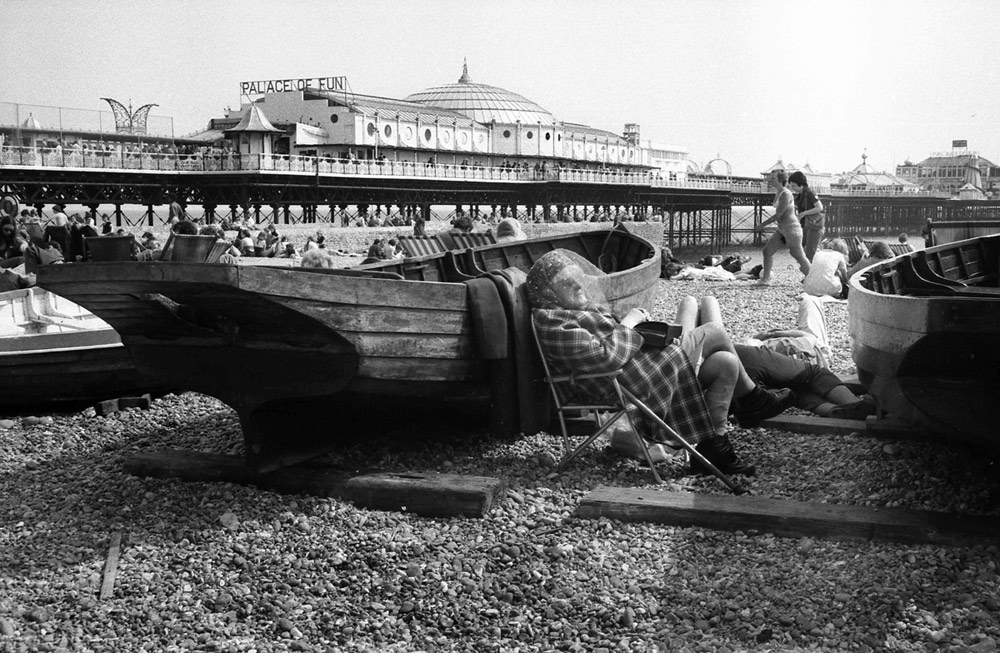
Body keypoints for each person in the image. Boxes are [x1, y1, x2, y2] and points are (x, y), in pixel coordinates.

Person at [527, 249, 796, 477]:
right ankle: (753, 400)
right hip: (625, 384)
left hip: (642, 370)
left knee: (726, 363)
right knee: (714, 331)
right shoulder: (553, 321)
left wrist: (638, 327)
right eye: (567, 283)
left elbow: (608, 346)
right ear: (549, 292)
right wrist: (630, 325)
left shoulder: (574, 309)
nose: (578, 286)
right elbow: (603, 359)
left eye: (577, 279)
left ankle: (714, 449)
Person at [686, 296, 875, 421]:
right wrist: (777, 333)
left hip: (726, 379)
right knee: (815, 373)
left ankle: (830, 410)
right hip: (743, 364)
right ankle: (855, 405)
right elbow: (809, 339)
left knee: (795, 392)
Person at [754, 170, 811, 285]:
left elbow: (779, 214)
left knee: (798, 254)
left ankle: (814, 278)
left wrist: (761, 225)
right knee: (767, 251)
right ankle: (765, 280)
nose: (770, 180)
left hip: (792, 229)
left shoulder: (786, 193)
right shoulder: (779, 192)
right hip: (782, 229)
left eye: (773, 178)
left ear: (780, 180)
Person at [788, 170, 825, 262]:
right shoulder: (801, 195)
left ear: (801, 184)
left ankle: (811, 274)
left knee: (810, 253)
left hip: (814, 226)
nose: (792, 188)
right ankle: (810, 273)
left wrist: (804, 213)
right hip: (806, 225)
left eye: (794, 186)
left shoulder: (809, 193)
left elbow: (820, 207)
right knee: (802, 251)